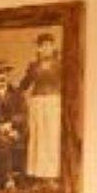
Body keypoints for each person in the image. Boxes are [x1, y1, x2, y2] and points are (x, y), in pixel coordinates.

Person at [23, 33, 64, 183]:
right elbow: (24, 84)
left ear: (53, 47)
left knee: (52, 137)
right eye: (43, 46)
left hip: (53, 103)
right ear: (38, 49)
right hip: (37, 104)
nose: (46, 48)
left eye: (49, 45)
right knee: (38, 138)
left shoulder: (60, 65)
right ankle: (38, 175)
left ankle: (52, 176)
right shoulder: (33, 66)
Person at [0, 60, 27, 189]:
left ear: (8, 75)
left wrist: (12, 125)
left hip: (14, 129)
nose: (2, 76)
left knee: (11, 140)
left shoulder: (17, 94)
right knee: (2, 141)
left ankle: (9, 179)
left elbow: (23, 114)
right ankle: (8, 179)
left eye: (4, 73)